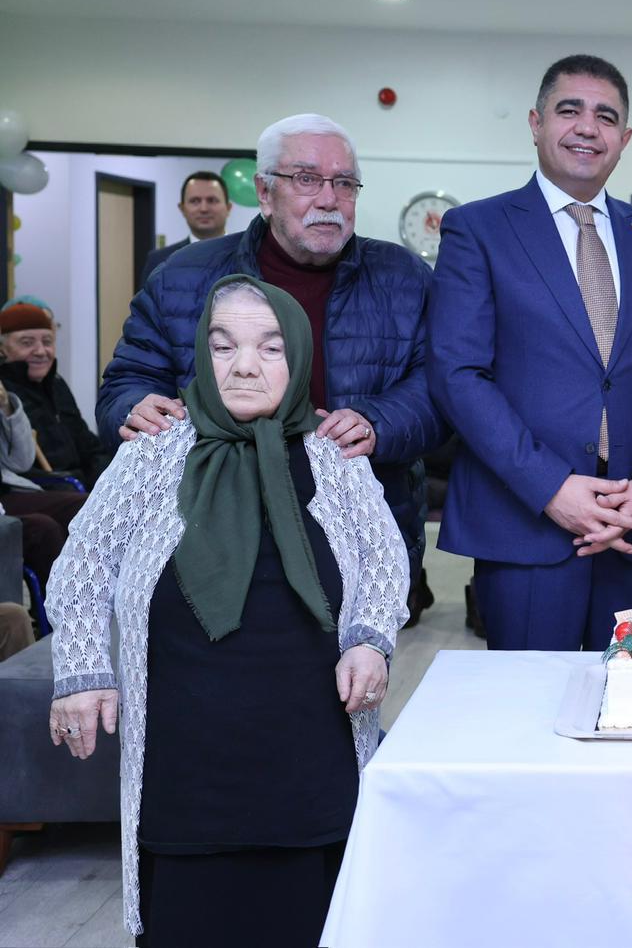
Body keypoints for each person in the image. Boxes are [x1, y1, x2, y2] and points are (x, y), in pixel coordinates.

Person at [48, 277, 408, 944]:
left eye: (270, 348)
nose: (244, 366)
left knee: (314, 918)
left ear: (299, 357)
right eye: (223, 347)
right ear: (200, 354)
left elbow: (386, 558)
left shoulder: (333, 456)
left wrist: (369, 640)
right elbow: (83, 564)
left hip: (312, 756)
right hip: (188, 765)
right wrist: (83, 671)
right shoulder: (153, 451)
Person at [97, 113, 443, 611]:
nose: (329, 199)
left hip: (358, 531)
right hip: (207, 533)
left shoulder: (404, 277)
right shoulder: (182, 276)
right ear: (264, 192)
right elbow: (125, 383)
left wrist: (378, 422)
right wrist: (134, 407)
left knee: (356, 659)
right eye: (306, 179)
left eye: (344, 183)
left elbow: (439, 387)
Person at [428, 54, 632, 652]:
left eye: (606, 116)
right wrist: (552, 488)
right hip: (527, 523)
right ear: (536, 123)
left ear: (624, 139)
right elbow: (458, 374)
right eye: (569, 110)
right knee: (532, 701)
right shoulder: (477, 229)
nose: (588, 127)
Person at [0, 297, 113, 486]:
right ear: (3, 348)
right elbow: (18, 466)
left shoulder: (56, 384)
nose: (41, 351)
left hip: (79, 485)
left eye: (47, 341)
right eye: (27, 343)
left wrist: (109, 478)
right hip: (43, 489)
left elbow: (87, 445)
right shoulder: (4, 393)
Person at [0, 369, 85, 616]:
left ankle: (108, 600)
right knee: (43, 528)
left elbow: (21, 462)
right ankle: (66, 615)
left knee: (84, 507)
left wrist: (7, 408)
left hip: (8, 492)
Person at [140, 170, 231, 287]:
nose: (203, 209)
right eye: (195, 201)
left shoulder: (248, 256)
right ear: (182, 209)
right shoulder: (159, 261)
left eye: (212, 200)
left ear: (228, 207)